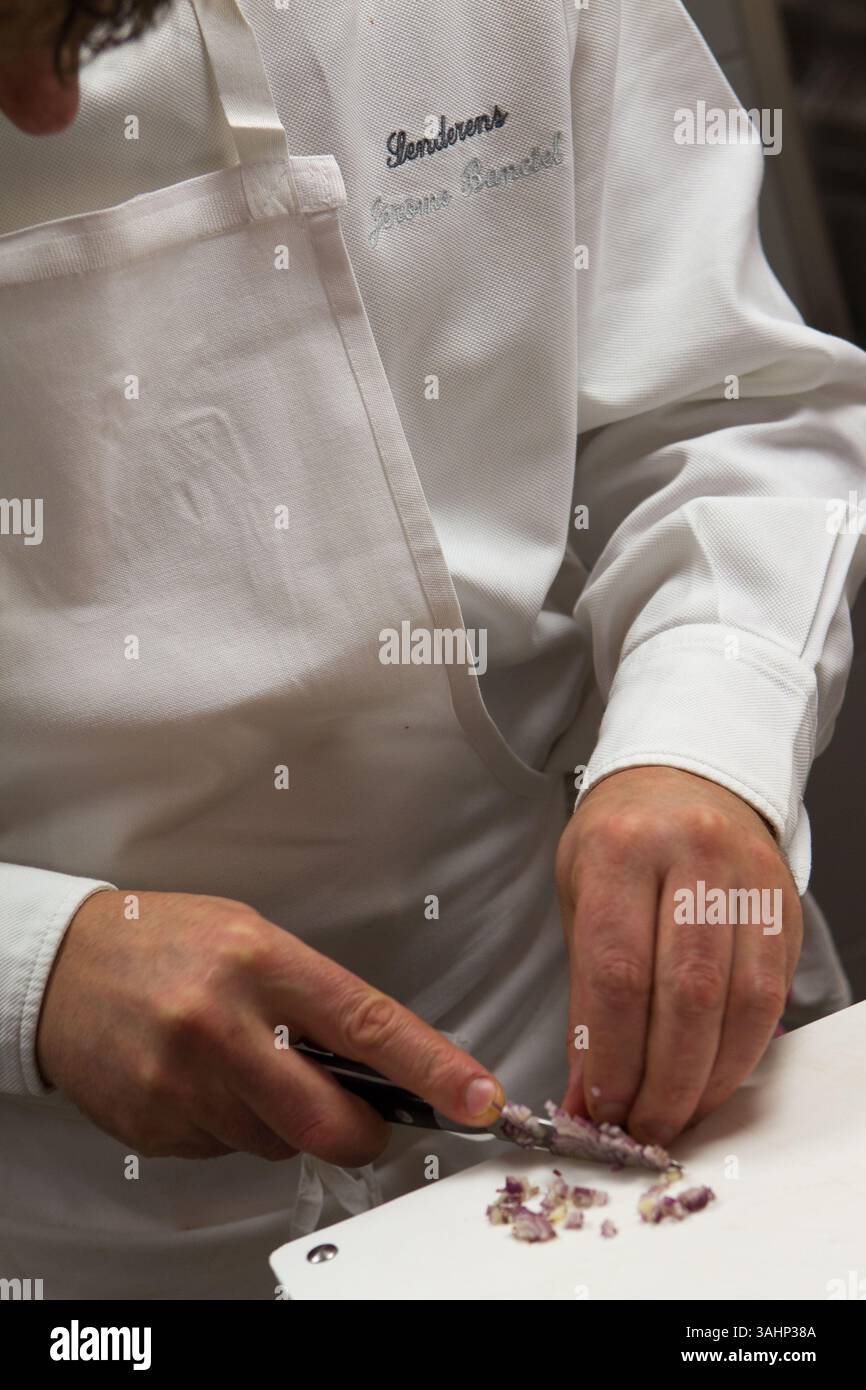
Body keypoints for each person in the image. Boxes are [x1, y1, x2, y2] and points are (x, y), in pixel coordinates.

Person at [0, 0, 863, 1300]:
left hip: (562, 1028)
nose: (42, 110)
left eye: (82, 30)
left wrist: (700, 740)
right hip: (81, 1233)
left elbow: (716, 407)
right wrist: (31, 963)